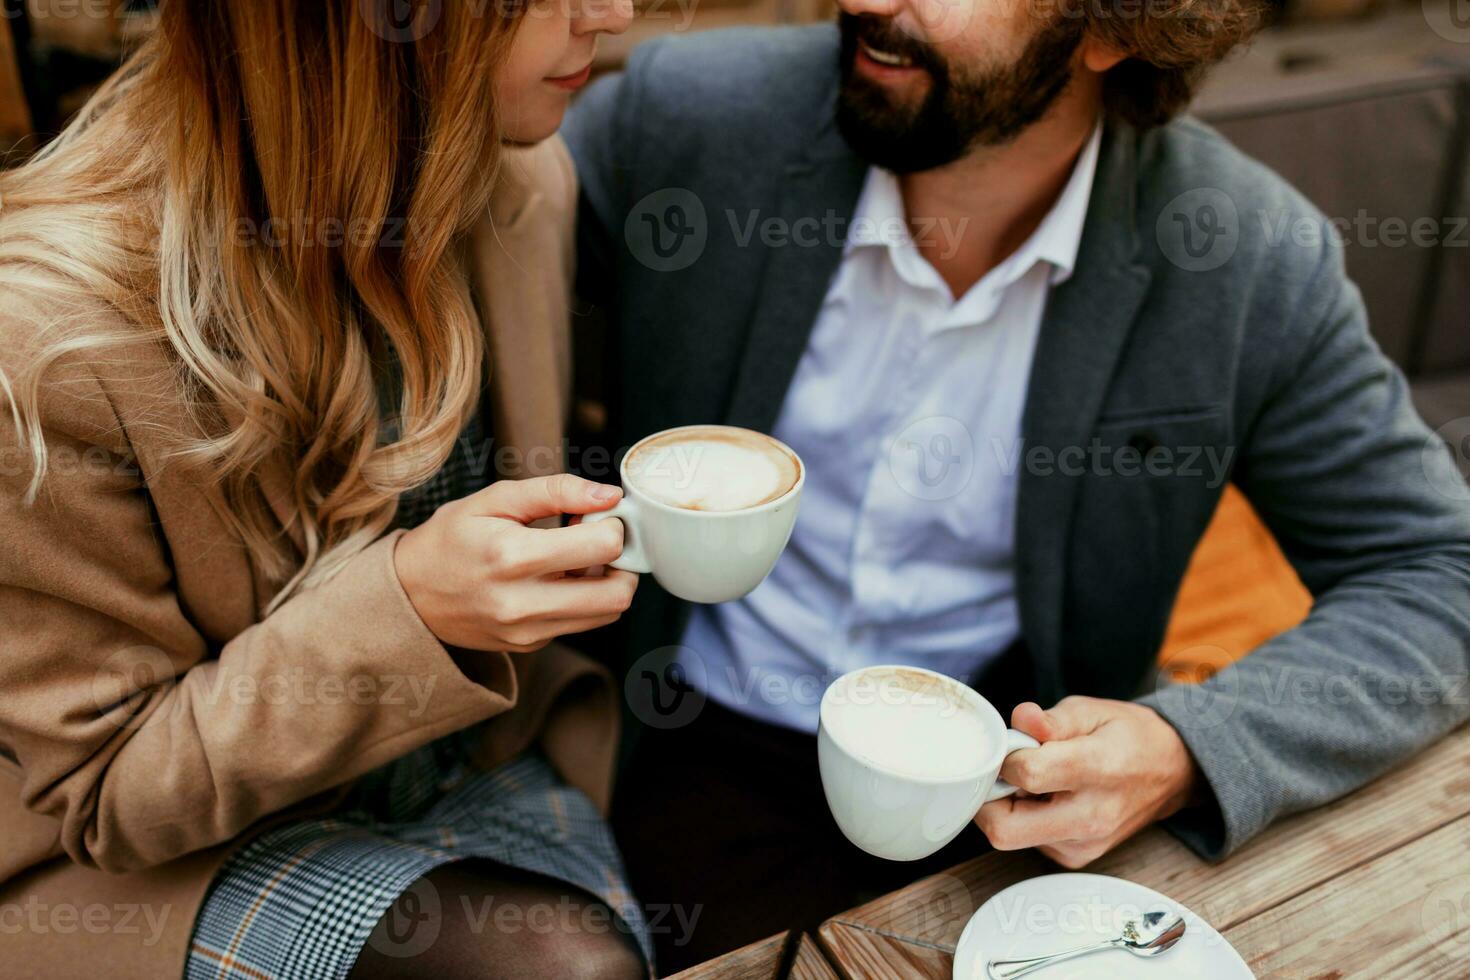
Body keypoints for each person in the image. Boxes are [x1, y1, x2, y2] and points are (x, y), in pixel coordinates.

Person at [564, 0, 1470, 970]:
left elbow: (1439, 569)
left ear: (1117, 28)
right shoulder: (683, 116)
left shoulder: (1247, 260)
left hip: (1011, 793)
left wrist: (1182, 744)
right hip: (687, 734)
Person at [0, 2, 654, 979]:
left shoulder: (521, 179)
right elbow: (111, 794)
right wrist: (411, 608)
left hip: (472, 762)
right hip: (186, 862)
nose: (616, 11)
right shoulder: (52, 337)